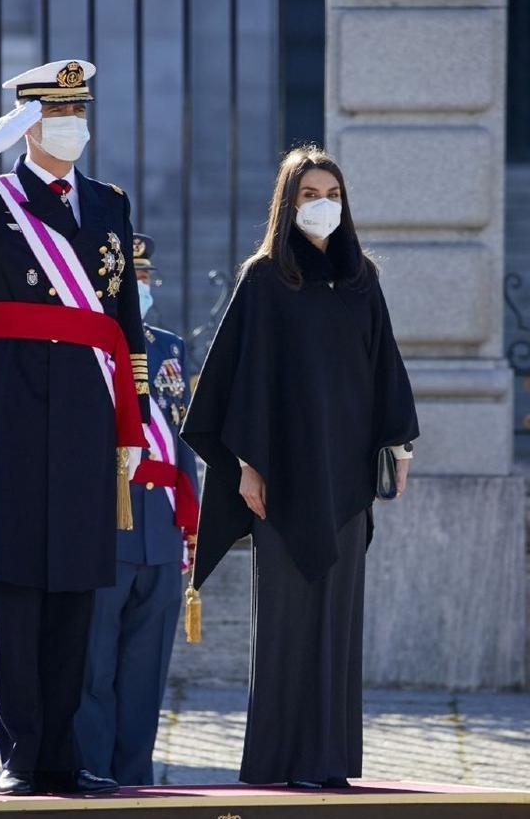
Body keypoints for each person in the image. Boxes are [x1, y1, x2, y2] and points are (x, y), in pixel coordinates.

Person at [0, 60, 150, 796]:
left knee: (77, 583)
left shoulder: (109, 203)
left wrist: (132, 417)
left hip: (86, 403)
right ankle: (20, 755)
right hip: (16, 400)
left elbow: (124, 320)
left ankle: (60, 755)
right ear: (30, 121)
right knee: (20, 582)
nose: (73, 122)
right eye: (57, 111)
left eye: (80, 108)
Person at [180, 145, 419, 789]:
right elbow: (241, 382)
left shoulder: (362, 278)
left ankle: (329, 762)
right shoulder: (264, 279)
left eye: (331, 194)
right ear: (288, 204)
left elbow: (384, 371)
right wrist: (246, 469)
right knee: (286, 623)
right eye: (309, 195)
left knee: (337, 624)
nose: (322, 206)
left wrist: (398, 449)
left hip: (344, 482)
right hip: (279, 484)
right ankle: (277, 762)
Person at [75, 233, 199, 785]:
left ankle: (135, 776)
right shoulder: (86, 346)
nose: (142, 289)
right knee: (94, 667)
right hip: (108, 523)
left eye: (148, 280)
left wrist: (191, 526)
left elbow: (183, 437)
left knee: (146, 671)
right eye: (134, 279)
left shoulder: (171, 347)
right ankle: (92, 770)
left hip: (161, 530)